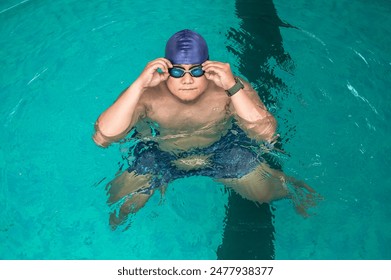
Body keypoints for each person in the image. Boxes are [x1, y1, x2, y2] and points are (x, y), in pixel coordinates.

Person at [93, 29, 319, 228]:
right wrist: (138, 84)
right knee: (122, 201)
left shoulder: (228, 86)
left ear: (208, 68)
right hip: (160, 155)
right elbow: (103, 138)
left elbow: (267, 134)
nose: (187, 79)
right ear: (166, 70)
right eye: (178, 72)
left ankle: (291, 189)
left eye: (196, 71)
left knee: (264, 192)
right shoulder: (146, 94)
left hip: (221, 150)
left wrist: (232, 87)